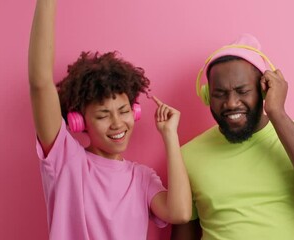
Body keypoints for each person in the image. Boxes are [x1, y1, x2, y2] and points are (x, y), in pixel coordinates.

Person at [28, 0, 191, 239]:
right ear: (79, 121)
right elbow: (40, 83)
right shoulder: (66, 161)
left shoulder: (141, 178)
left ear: (135, 111)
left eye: (124, 111)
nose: (117, 123)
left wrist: (170, 135)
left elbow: (180, 213)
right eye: (103, 115)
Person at [171, 34, 294, 240]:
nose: (231, 103)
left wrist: (277, 112)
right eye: (219, 93)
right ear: (207, 96)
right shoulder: (187, 156)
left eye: (243, 91)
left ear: (264, 90)